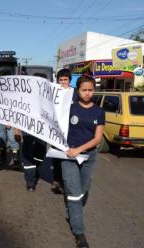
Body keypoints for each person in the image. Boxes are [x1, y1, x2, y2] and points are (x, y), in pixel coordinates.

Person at [61, 75, 105, 248]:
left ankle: (71, 212)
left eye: (90, 90)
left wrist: (80, 150)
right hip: (70, 156)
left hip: (88, 157)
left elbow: (98, 139)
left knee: (82, 191)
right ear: (77, 91)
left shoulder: (99, 111)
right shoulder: (69, 108)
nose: (87, 93)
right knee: (73, 192)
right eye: (84, 90)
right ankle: (79, 233)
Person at [51, 68, 73, 194]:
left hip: (71, 133)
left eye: (65, 80)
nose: (63, 82)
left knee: (68, 158)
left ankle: (67, 183)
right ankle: (57, 181)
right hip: (56, 133)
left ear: (69, 81)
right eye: (61, 80)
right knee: (56, 158)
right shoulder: (53, 93)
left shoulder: (75, 93)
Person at [0, 70, 20, 166]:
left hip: (11, 120)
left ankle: (16, 161)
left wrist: (10, 122)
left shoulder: (14, 91)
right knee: (1, 139)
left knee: (12, 139)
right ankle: (2, 159)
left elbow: (16, 107)